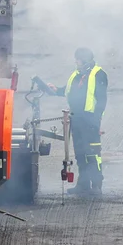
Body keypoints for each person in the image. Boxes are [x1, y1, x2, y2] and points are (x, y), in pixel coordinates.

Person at [48, 47, 108, 195]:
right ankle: (83, 184)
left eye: (78, 59)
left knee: (93, 153)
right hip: (76, 119)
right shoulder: (76, 74)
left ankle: (96, 184)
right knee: (80, 152)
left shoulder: (98, 74)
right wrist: (56, 90)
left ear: (85, 60)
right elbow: (69, 90)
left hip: (90, 120)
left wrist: (97, 119)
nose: (76, 61)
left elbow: (101, 99)